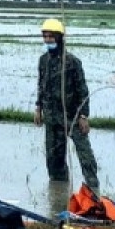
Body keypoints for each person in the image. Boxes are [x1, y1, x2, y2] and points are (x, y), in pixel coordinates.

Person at [34, 17, 99, 191]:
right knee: (54, 159)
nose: (48, 39)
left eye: (51, 36)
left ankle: (94, 191)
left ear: (60, 38)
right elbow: (41, 85)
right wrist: (38, 108)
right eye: (45, 36)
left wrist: (83, 116)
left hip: (72, 116)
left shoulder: (72, 62)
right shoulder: (43, 61)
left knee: (85, 157)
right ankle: (58, 193)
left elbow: (82, 90)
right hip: (51, 116)